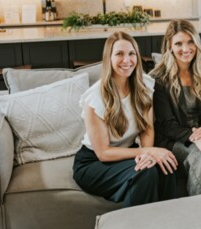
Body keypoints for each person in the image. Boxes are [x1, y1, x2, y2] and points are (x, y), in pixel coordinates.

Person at [73, 31, 178, 207]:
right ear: (109, 58)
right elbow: (103, 153)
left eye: (131, 53)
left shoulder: (144, 85)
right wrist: (147, 152)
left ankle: (168, 225)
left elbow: (147, 128)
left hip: (127, 155)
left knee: (166, 165)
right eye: (119, 54)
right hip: (93, 162)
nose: (127, 60)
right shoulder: (95, 97)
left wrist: (149, 152)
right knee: (146, 172)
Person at [151, 20, 201, 195]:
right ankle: (198, 208)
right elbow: (167, 124)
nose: (186, 49)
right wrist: (196, 139)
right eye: (178, 43)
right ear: (170, 46)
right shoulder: (159, 78)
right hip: (174, 140)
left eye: (190, 42)